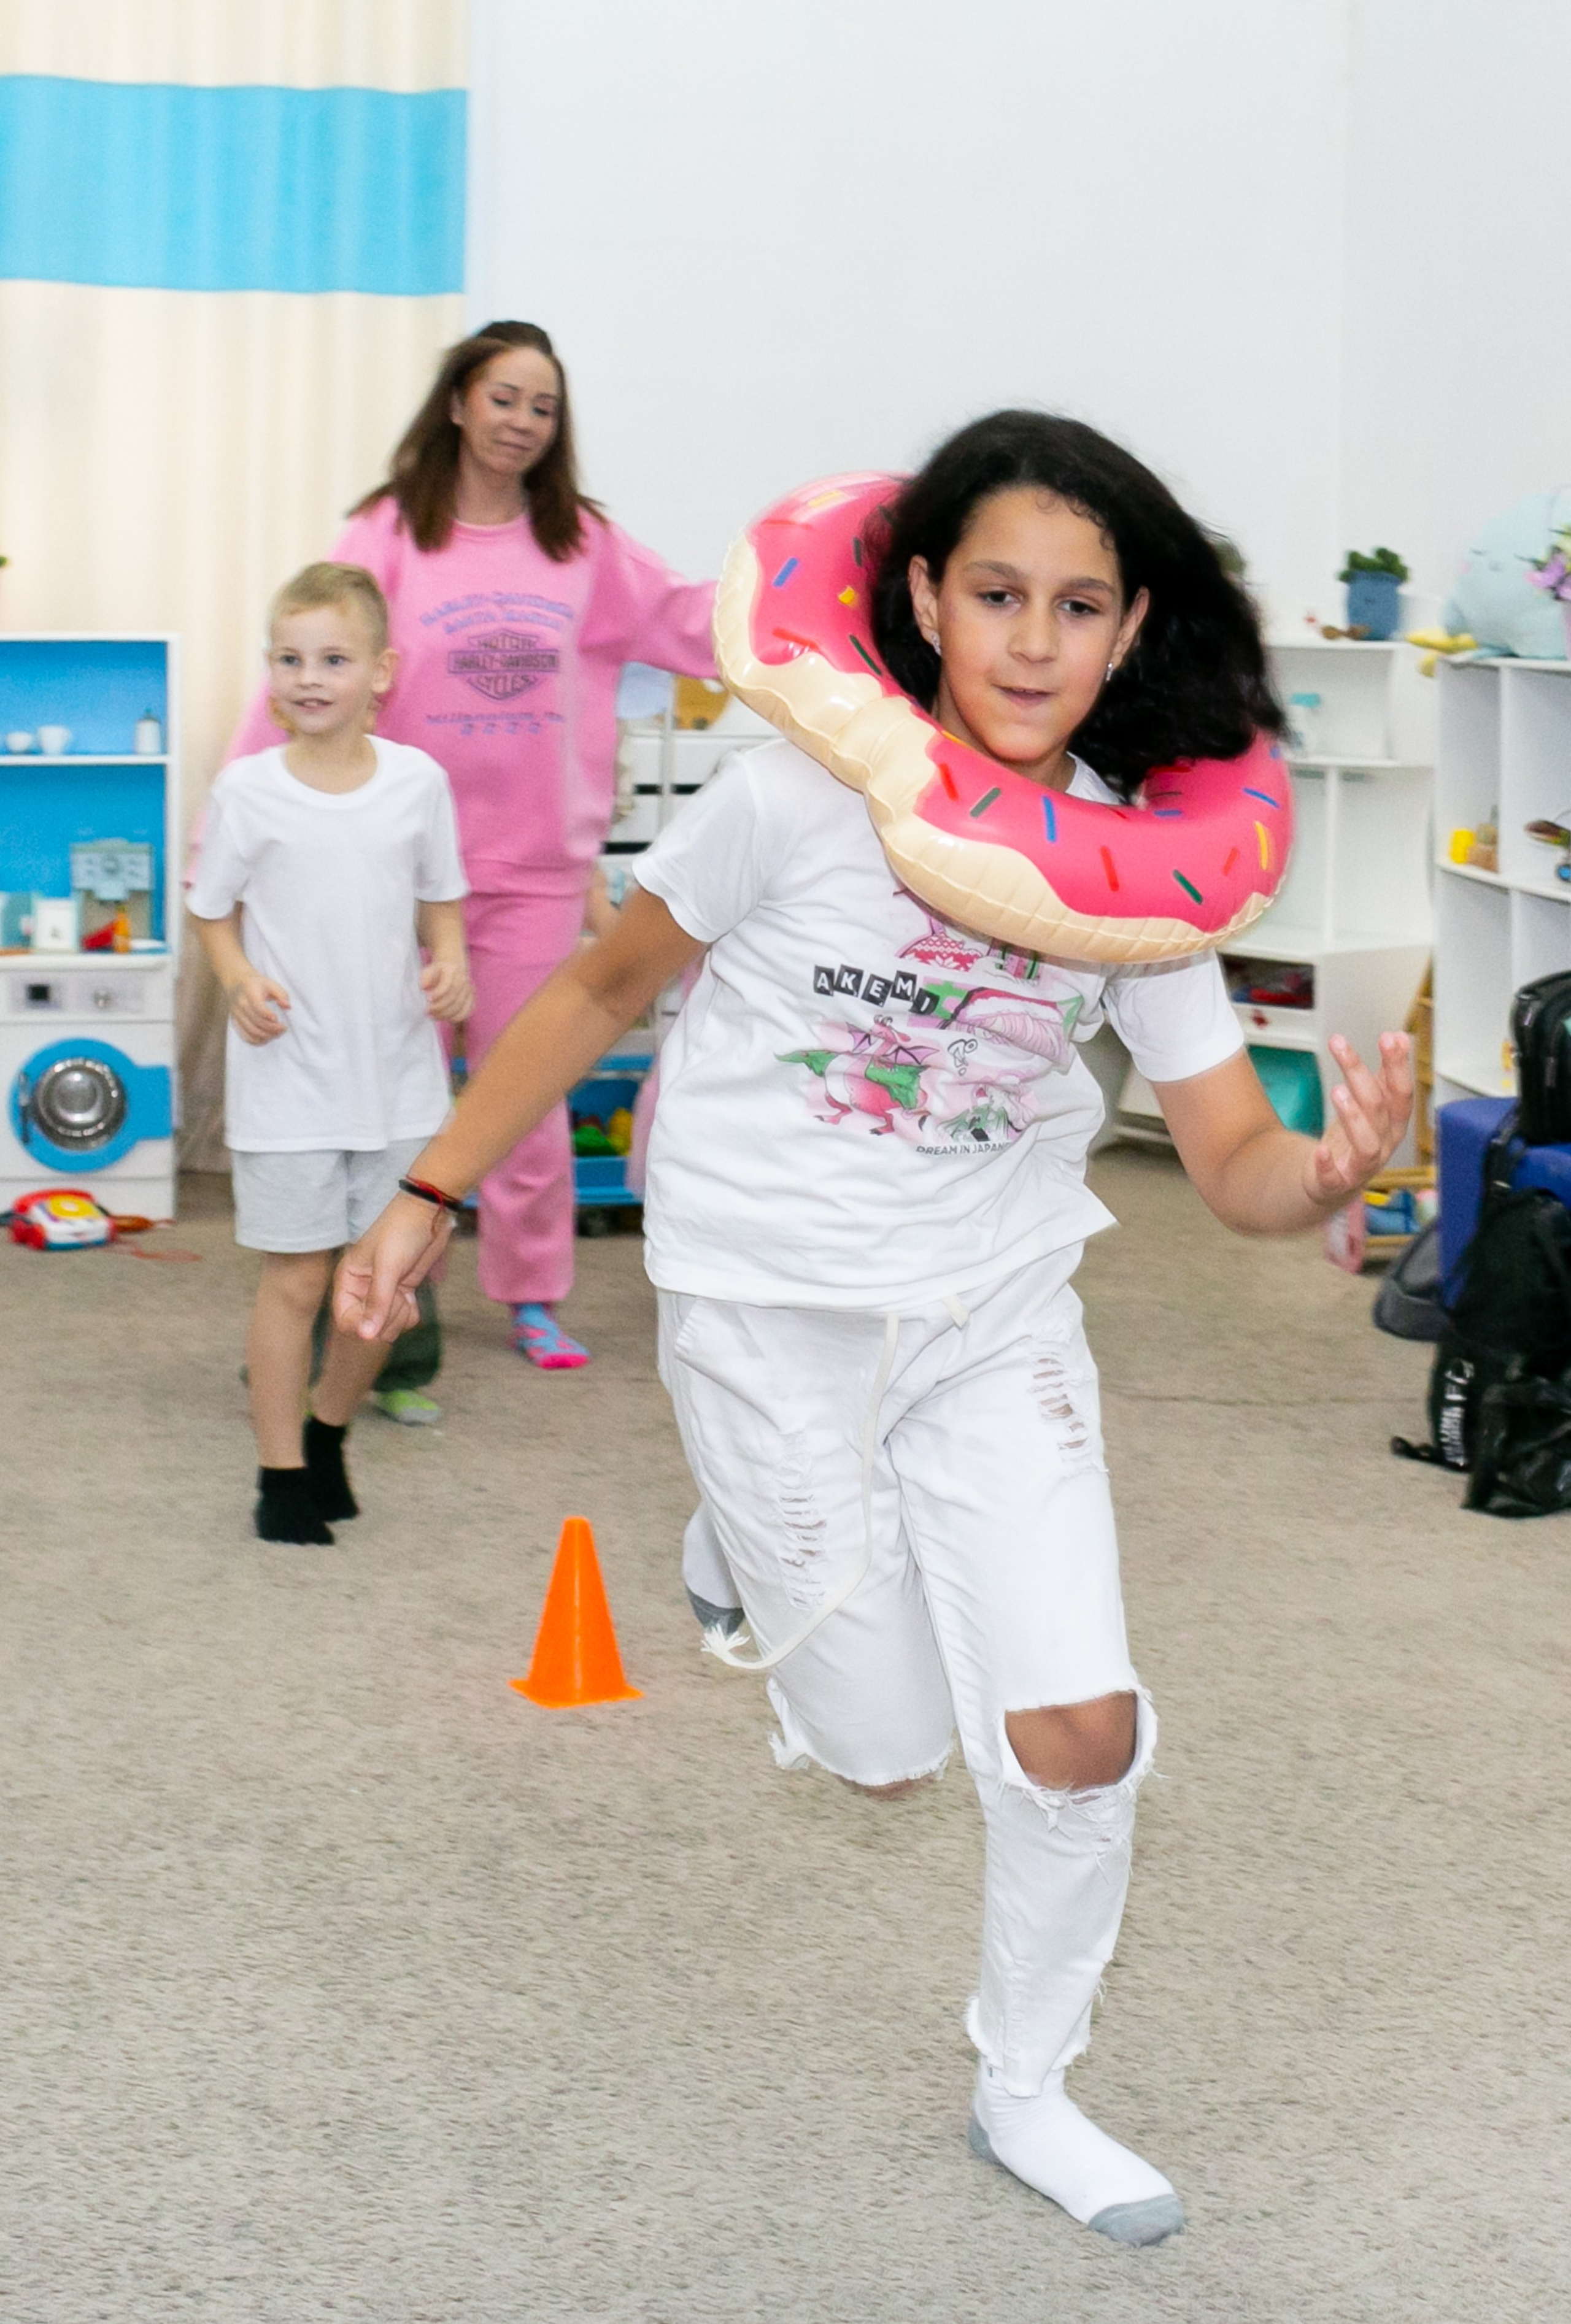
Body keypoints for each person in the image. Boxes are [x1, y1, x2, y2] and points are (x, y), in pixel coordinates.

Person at [331, 414, 1412, 2243]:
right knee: (886, 1748)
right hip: (765, 1310)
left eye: (1078, 604)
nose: (1032, 640)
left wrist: (1321, 1175)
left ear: (1131, 630)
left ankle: (1027, 2083)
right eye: (996, 592)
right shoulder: (793, 796)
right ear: (920, 595)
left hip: (994, 1310)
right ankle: (734, 1545)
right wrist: (427, 1191)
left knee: (1077, 1729)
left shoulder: (1135, 877)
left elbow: (1228, 1152)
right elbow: (596, 987)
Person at [225, 321, 716, 1394]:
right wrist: (235, 816)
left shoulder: (583, 545)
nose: (522, 422)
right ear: (458, 403)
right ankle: (396, 1298)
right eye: (503, 398)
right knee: (396, 1102)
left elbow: (693, 620)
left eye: (543, 406)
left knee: (522, 1093)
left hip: (535, 867)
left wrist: (815, 623)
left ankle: (534, 1291)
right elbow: (313, 663)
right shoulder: (393, 532)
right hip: (391, 869)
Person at [190, 562, 472, 1544]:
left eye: (333, 659)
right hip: (289, 1088)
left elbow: (441, 898)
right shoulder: (247, 791)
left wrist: (450, 960)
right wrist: (237, 978)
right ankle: (279, 1474)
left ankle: (328, 1433)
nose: (309, 678)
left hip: (399, 1089)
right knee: (299, 1282)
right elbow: (210, 909)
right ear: (271, 671)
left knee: (380, 1291)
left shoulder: (418, 783)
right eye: (290, 659)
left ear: (381, 672)